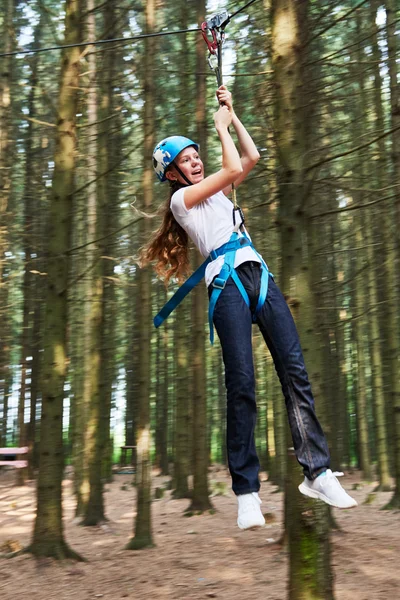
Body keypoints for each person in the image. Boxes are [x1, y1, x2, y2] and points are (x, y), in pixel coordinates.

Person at [142, 85, 357, 530]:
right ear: (173, 175)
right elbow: (234, 165)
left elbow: (250, 158)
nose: (196, 161)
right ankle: (246, 491)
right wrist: (221, 129)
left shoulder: (217, 190)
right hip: (226, 284)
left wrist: (232, 115)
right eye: (186, 160)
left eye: (197, 154)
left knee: (294, 371)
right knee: (242, 382)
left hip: (258, 274)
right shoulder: (183, 201)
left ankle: (316, 471)